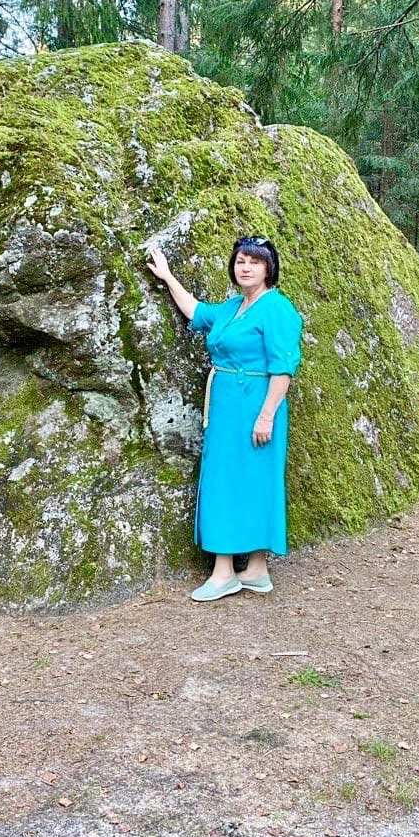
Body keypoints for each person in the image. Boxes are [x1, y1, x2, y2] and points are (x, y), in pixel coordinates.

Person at [147, 236, 303, 602]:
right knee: (228, 477)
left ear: (269, 268)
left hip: (257, 405)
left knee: (247, 480)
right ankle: (256, 570)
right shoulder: (234, 307)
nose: (245, 267)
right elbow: (196, 312)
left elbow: (283, 369)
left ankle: (224, 572)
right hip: (228, 405)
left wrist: (266, 416)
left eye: (254, 261)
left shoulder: (277, 309)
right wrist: (168, 277)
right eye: (240, 261)